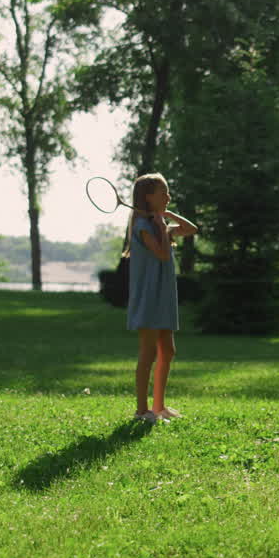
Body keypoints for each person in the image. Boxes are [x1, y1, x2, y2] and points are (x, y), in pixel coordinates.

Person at [123, 173, 198, 423]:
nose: (168, 197)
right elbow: (163, 255)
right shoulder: (143, 227)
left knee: (168, 350)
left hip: (163, 298)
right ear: (148, 197)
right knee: (148, 352)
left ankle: (159, 406)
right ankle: (141, 410)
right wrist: (161, 227)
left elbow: (191, 229)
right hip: (149, 299)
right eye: (163, 192)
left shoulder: (158, 224)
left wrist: (167, 218)